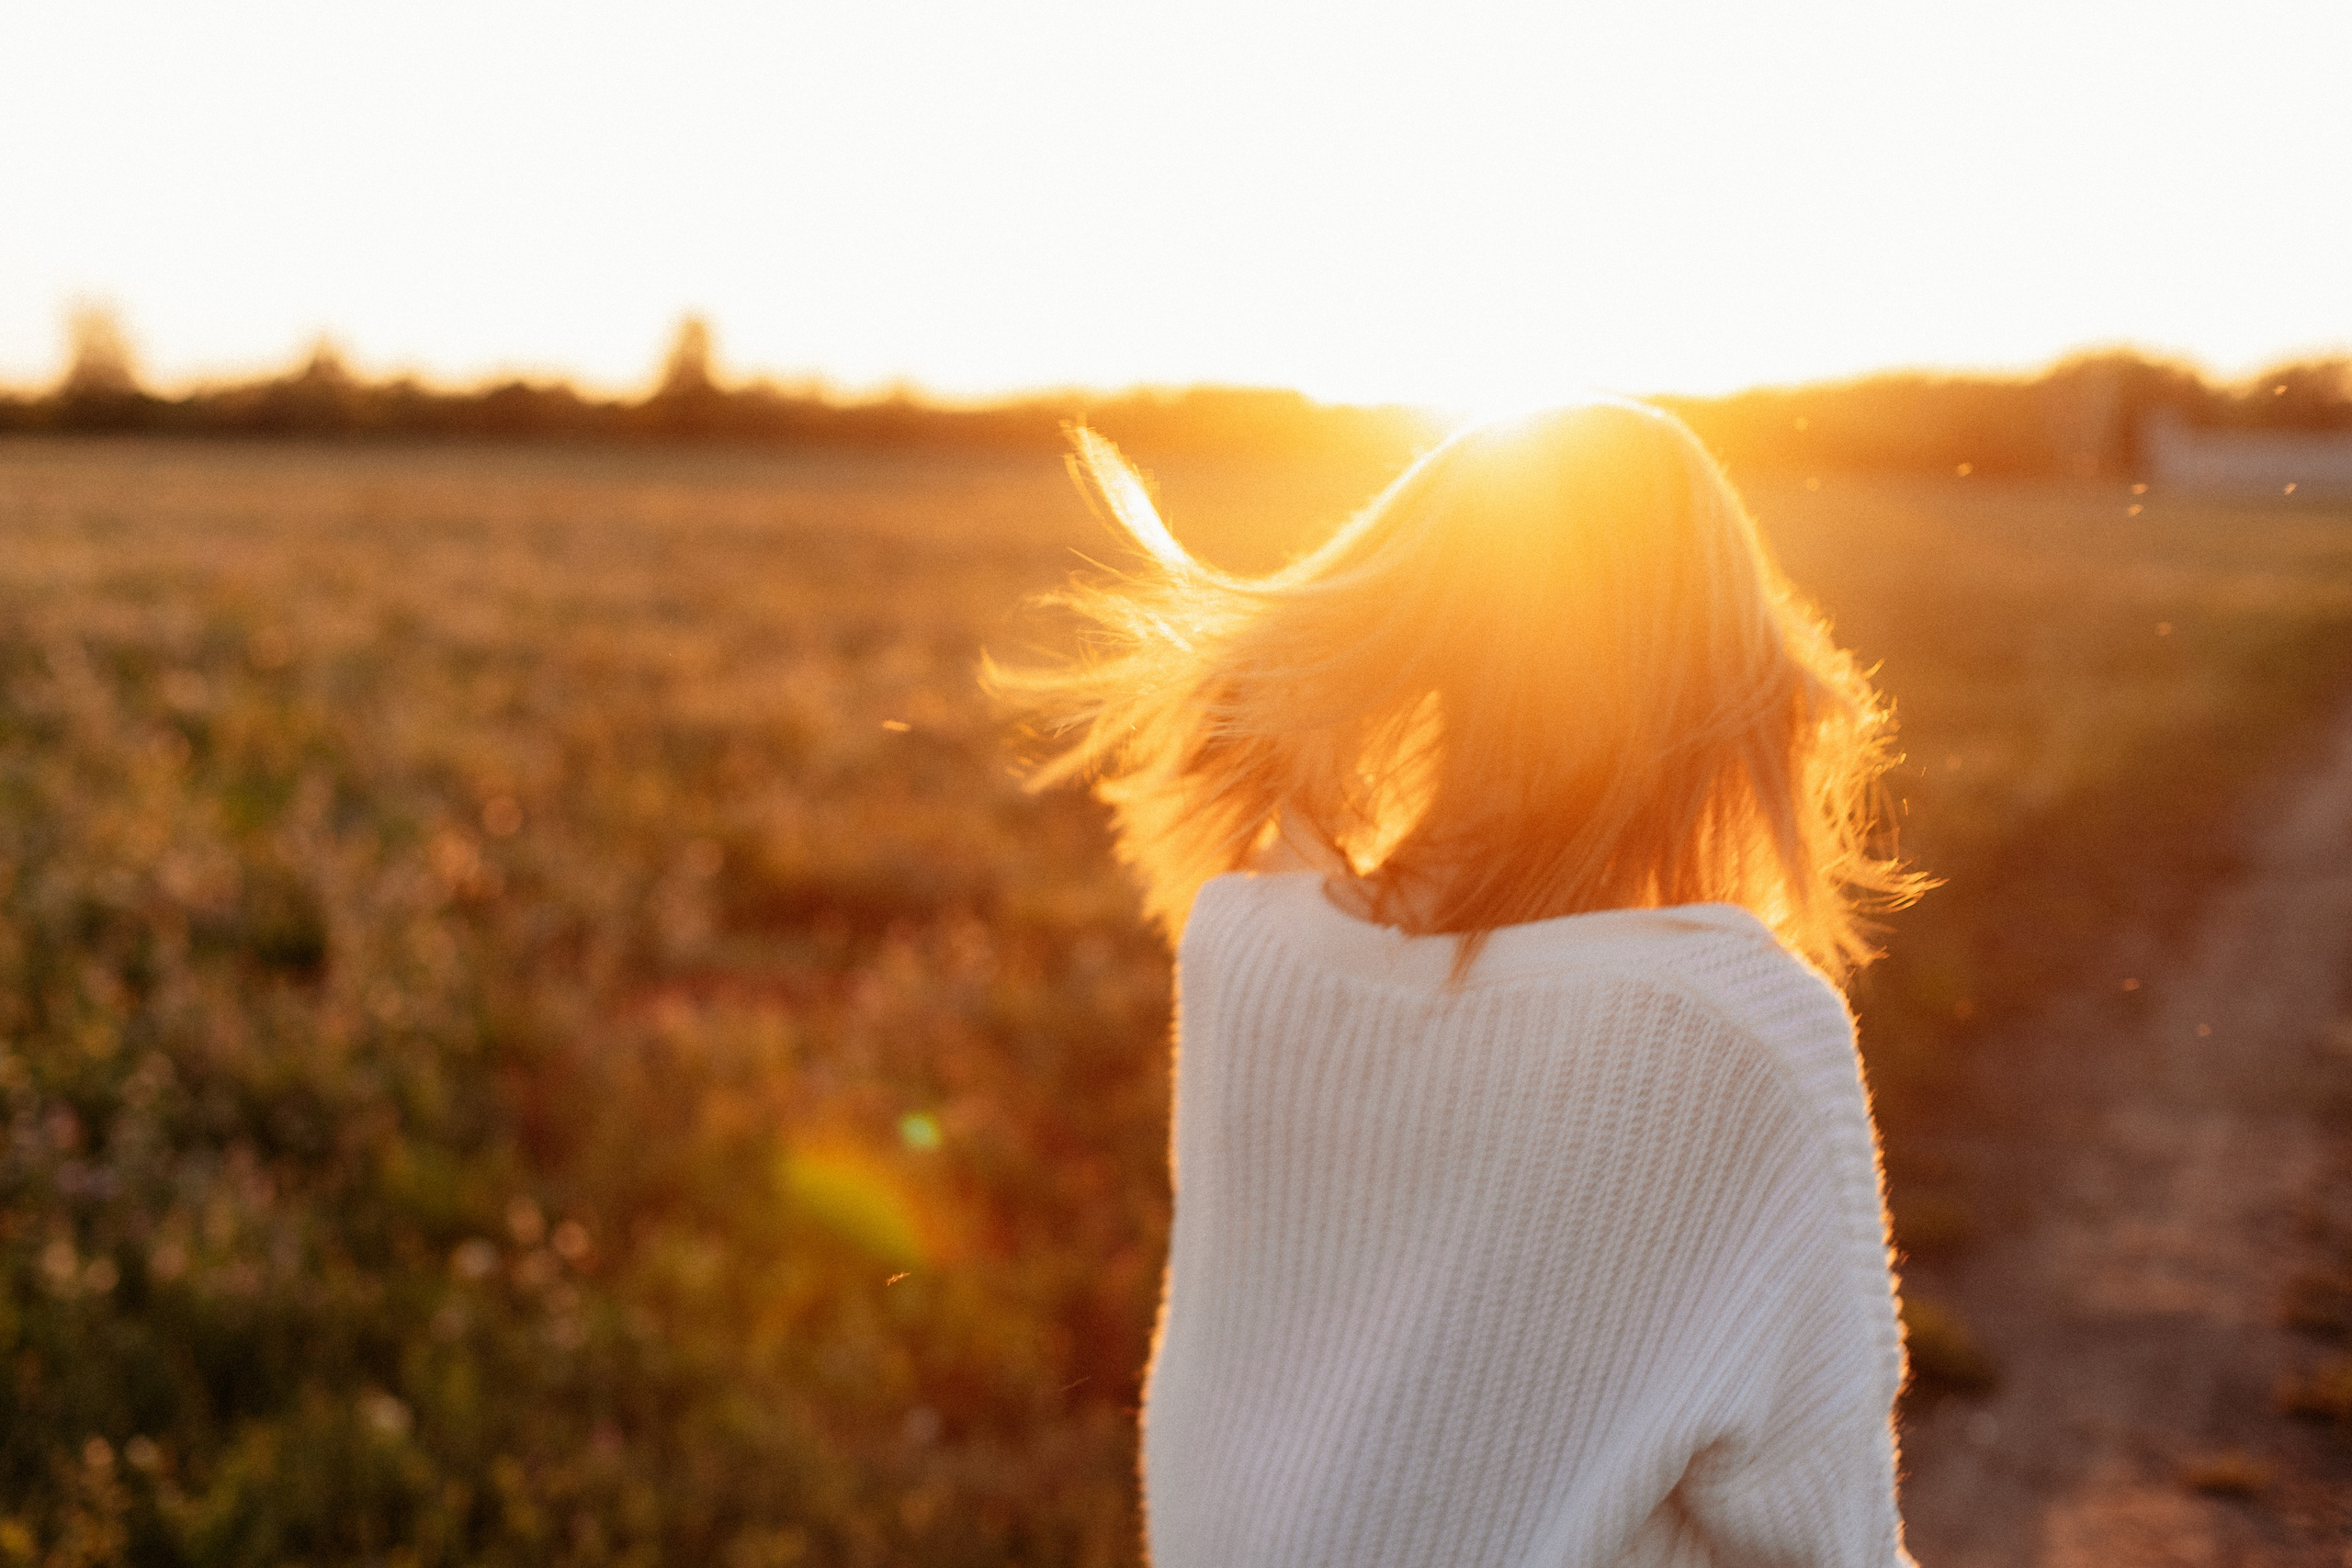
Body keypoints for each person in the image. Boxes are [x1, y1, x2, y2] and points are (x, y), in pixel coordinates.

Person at [993, 400, 1925, 1566]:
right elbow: (1823, 1535)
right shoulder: (1729, 1033)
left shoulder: (1246, 951)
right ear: (1723, 677)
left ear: (1426, 631)